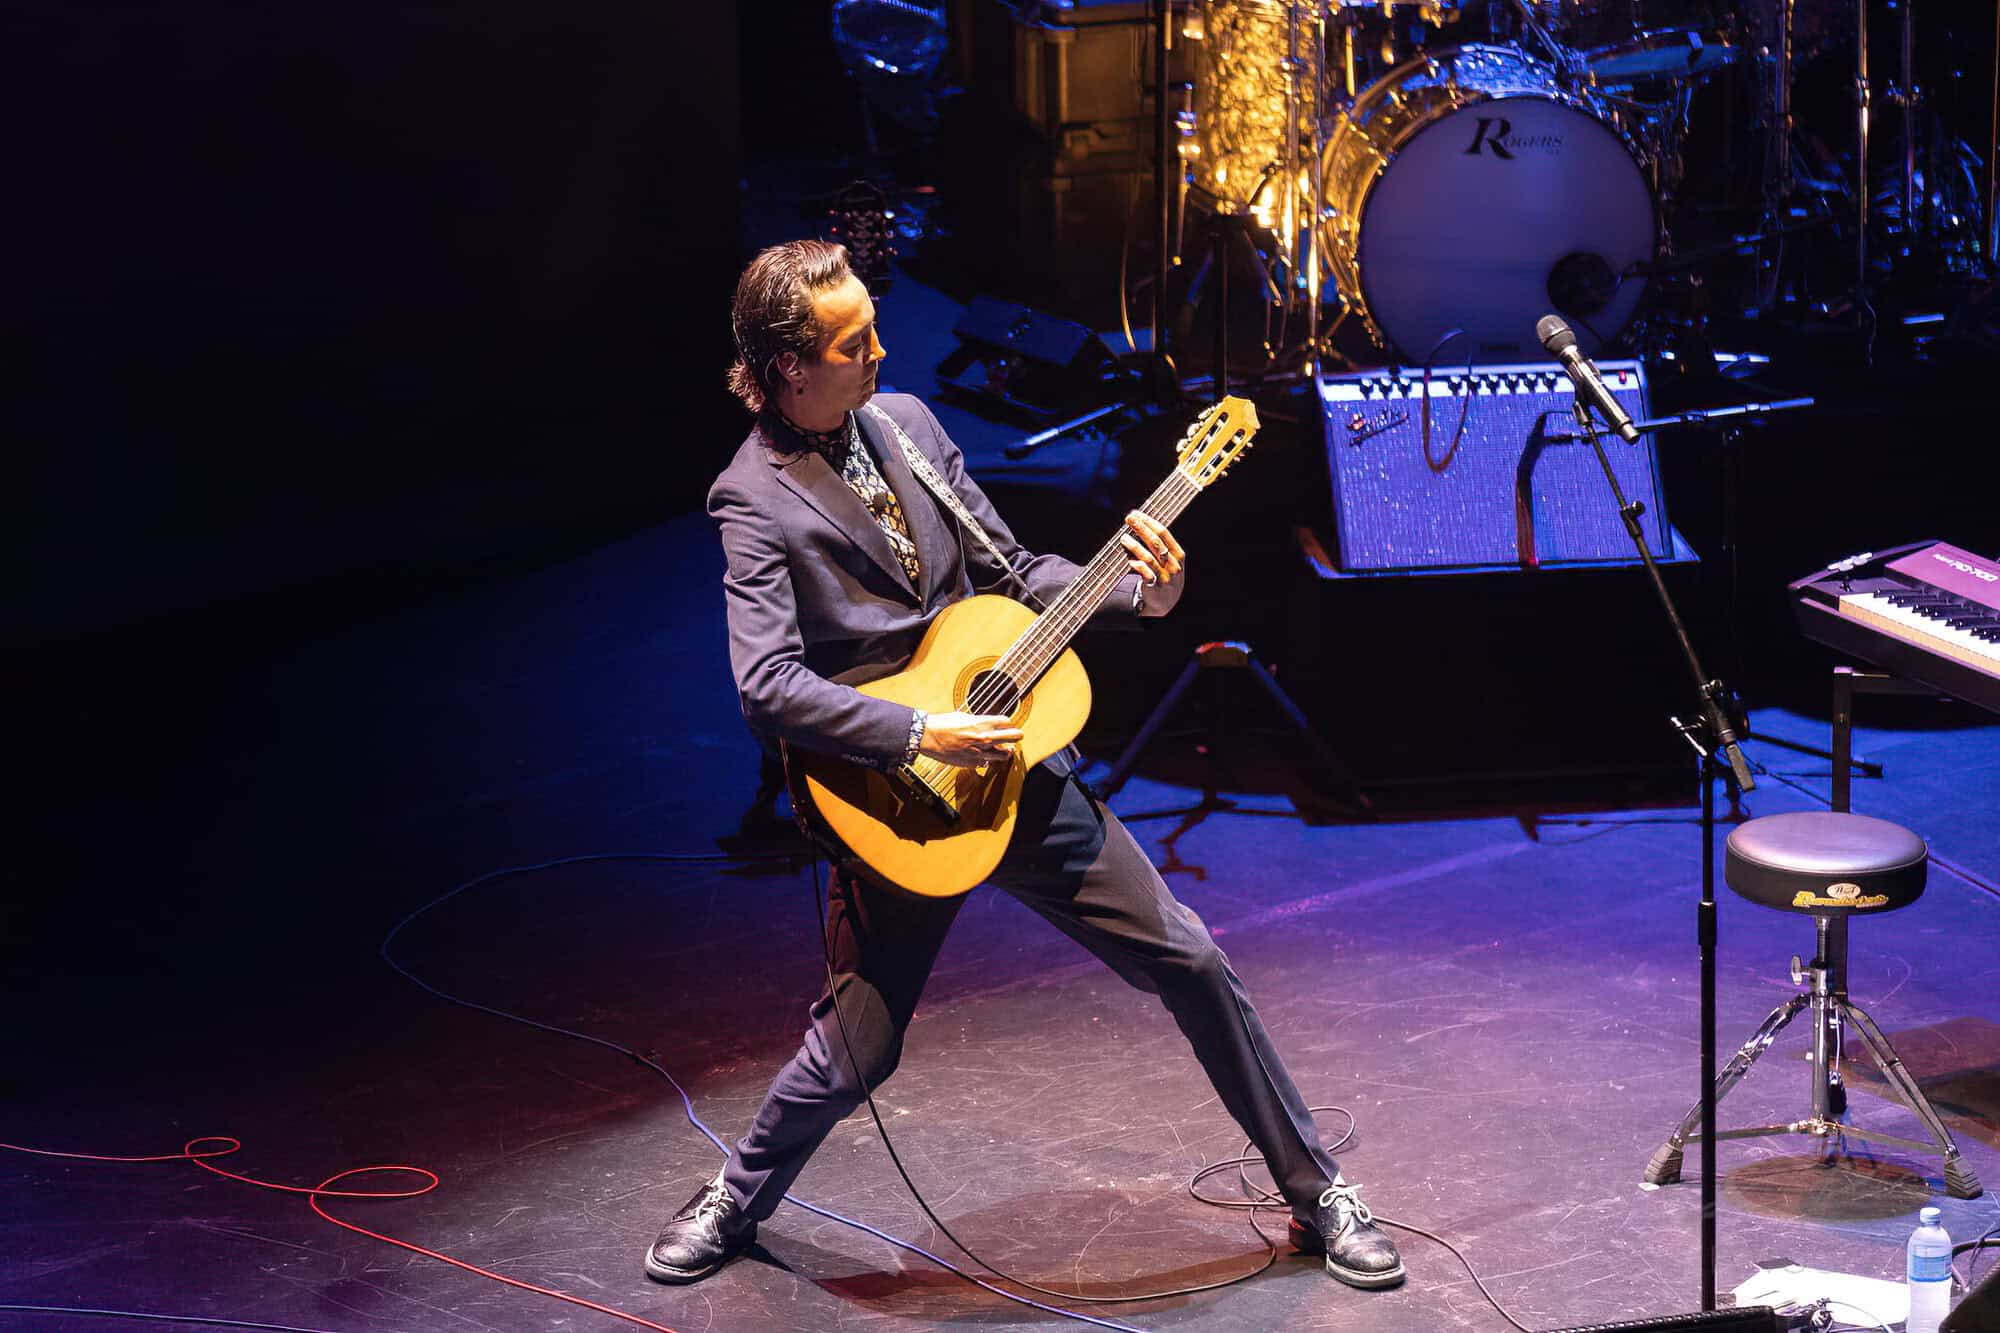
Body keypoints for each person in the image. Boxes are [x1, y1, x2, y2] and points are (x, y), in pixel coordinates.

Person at [646, 239, 1403, 1293]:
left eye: (874, 330)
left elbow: (1010, 572)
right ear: (788, 369)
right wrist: (920, 732)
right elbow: (766, 686)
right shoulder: (752, 496)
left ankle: (1316, 1190)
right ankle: (735, 1195)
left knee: (1189, 957)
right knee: (858, 1049)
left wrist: (1140, 593)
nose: (879, 352)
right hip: (894, 798)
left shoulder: (907, 425)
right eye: (853, 343)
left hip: (1015, 765)